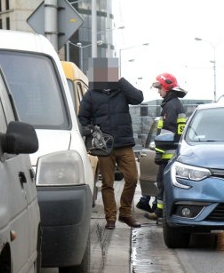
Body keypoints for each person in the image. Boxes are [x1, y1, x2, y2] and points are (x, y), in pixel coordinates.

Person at [78, 58, 144, 229]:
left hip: (124, 143)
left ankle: (126, 213)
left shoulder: (121, 91)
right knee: (108, 183)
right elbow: (82, 119)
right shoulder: (91, 94)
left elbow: (138, 98)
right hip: (104, 146)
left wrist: (121, 80)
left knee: (132, 178)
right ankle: (111, 218)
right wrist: (92, 130)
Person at [146, 72, 187, 221]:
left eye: (159, 88)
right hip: (172, 153)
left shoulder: (170, 106)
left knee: (164, 184)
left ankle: (161, 213)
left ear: (166, 88)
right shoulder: (174, 104)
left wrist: (158, 152)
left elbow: (166, 134)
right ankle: (160, 212)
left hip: (168, 155)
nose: (158, 91)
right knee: (163, 183)